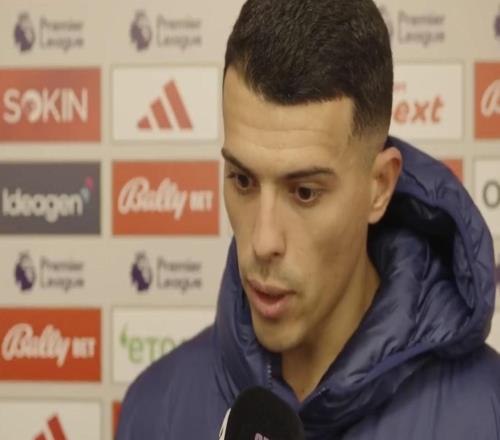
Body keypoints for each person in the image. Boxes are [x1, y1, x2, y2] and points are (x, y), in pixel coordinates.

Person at [117, 0, 500, 438]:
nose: (263, 241)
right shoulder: (156, 409)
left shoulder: (487, 414)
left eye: (304, 192)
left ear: (379, 187)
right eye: (242, 180)